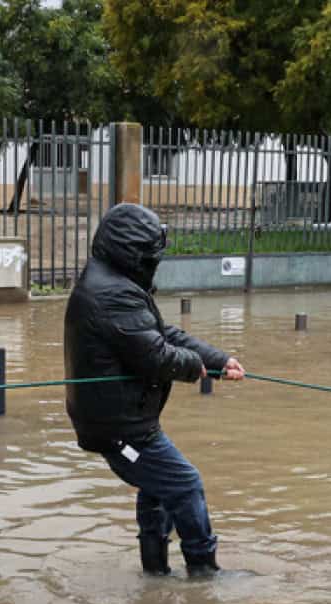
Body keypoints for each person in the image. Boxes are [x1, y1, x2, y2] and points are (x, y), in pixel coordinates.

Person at [63, 203, 245, 578]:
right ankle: (204, 572)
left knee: (158, 487)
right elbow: (158, 356)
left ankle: (155, 574)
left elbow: (161, 334)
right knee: (185, 483)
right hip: (120, 431)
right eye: (151, 254)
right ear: (134, 254)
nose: (155, 262)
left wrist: (217, 360)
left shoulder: (113, 282)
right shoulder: (112, 294)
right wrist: (200, 368)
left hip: (126, 422)